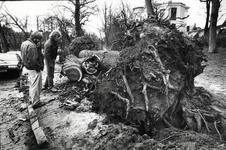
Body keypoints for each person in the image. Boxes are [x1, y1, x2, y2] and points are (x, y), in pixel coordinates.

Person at [21, 31, 45, 109]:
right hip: (33, 69)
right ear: (35, 38)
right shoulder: (32, 46)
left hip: (28, 68)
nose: (39, 41)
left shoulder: (24, 43)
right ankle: (36, 102)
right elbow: (33, 60)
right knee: (36, 86)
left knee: (32, 85)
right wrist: (38, 68)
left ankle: (33, 99)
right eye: (38, 40)